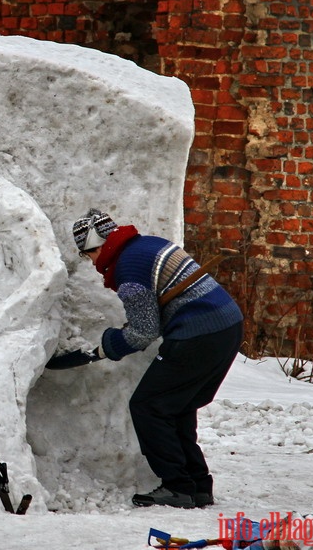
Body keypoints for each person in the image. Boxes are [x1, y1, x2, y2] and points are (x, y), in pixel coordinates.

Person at [70, 208, 243, 509]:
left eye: (88, 255)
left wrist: (107, 345)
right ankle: (197, 486)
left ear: (99, 246)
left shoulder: (128, 270)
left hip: (198, 333)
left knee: (148, 405)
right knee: (177, 406)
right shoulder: (147, 244)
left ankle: (178, 487)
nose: (92, 263)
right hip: (226, 325)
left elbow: (143, 333)